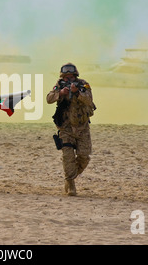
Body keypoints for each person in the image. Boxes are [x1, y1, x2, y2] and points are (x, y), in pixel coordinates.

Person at [46, 63, 96, 196]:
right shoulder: (59, 85)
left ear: (75, 76)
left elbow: (89, 100)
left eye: (71, 76)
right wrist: (60, 93)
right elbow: (48, 98)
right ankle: (70, 183)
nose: (69, 80)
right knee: (68, 157)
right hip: (66, 127)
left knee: (84, 157)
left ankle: (71, 177)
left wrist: (77, 93)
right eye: (66, 77)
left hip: (82, 127)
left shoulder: (83, 85)